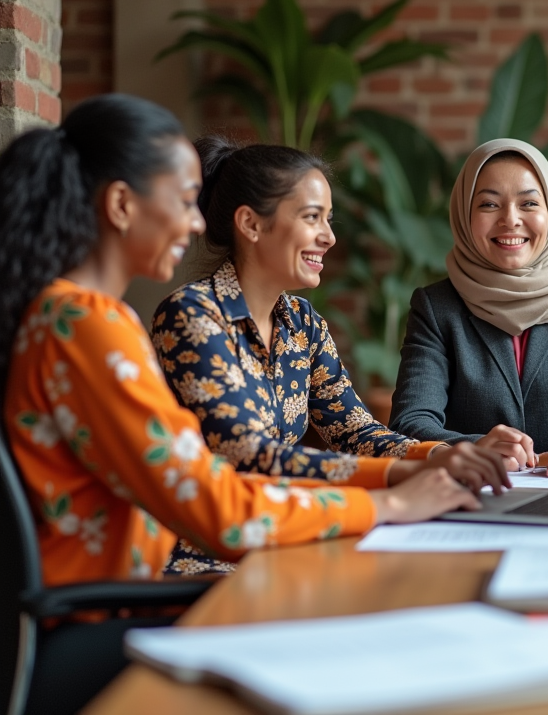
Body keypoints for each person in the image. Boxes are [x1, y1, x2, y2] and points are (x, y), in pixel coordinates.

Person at [1, 95, 496, 591]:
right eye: (182, 201)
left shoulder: (80, 317)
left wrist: (425, 461)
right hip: (123, 602)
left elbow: (338, 437)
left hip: (133, 588)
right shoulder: (92, 324)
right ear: (122, 205)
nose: (197, 222)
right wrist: (390, 499)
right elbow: (224, 500)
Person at [150, 137, 509, 573]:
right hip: (205, 554)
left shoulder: (302, 323)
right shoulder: (191, 315)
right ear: (251, 224)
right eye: (312, 217)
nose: (330, 236)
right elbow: (247, 452)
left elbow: (355, 432)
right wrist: (398, 482)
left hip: (286, 538)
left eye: (329, 219)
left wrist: (436, 455)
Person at [391, 138, 548, 477]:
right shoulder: (437, 307)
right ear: (464, 216)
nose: (510, 220)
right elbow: (409, 423)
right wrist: (472, 448)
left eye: (528, 204)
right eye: (488, 205)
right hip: (476, 499)